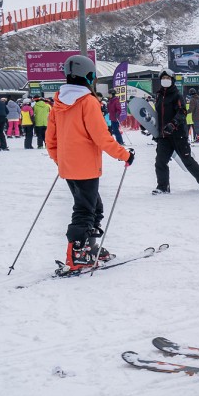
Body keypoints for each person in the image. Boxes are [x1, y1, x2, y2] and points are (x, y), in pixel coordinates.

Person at [46, 56, 134, 271]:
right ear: (88, 75)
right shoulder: (87, 101)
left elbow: (50, 139)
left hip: (69, 166)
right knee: (85, 210)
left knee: (94, 206)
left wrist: (62, 160)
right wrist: (124, 155)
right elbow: (101, 137)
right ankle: (77, 253)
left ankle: (88, 247)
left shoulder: (58, 102)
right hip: (85, 166)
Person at [153, 69, 199, 194]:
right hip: (164, 136)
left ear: (172, 80)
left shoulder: (177, 95)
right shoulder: (158, 96)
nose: (165, 80)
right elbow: (157, 114)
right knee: (160, 162)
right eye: (163, 78)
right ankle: (163, 187)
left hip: (178, 135)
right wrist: (151, 128)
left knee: (186, 160)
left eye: (168, 78)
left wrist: (172, 124)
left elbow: (182, 112)